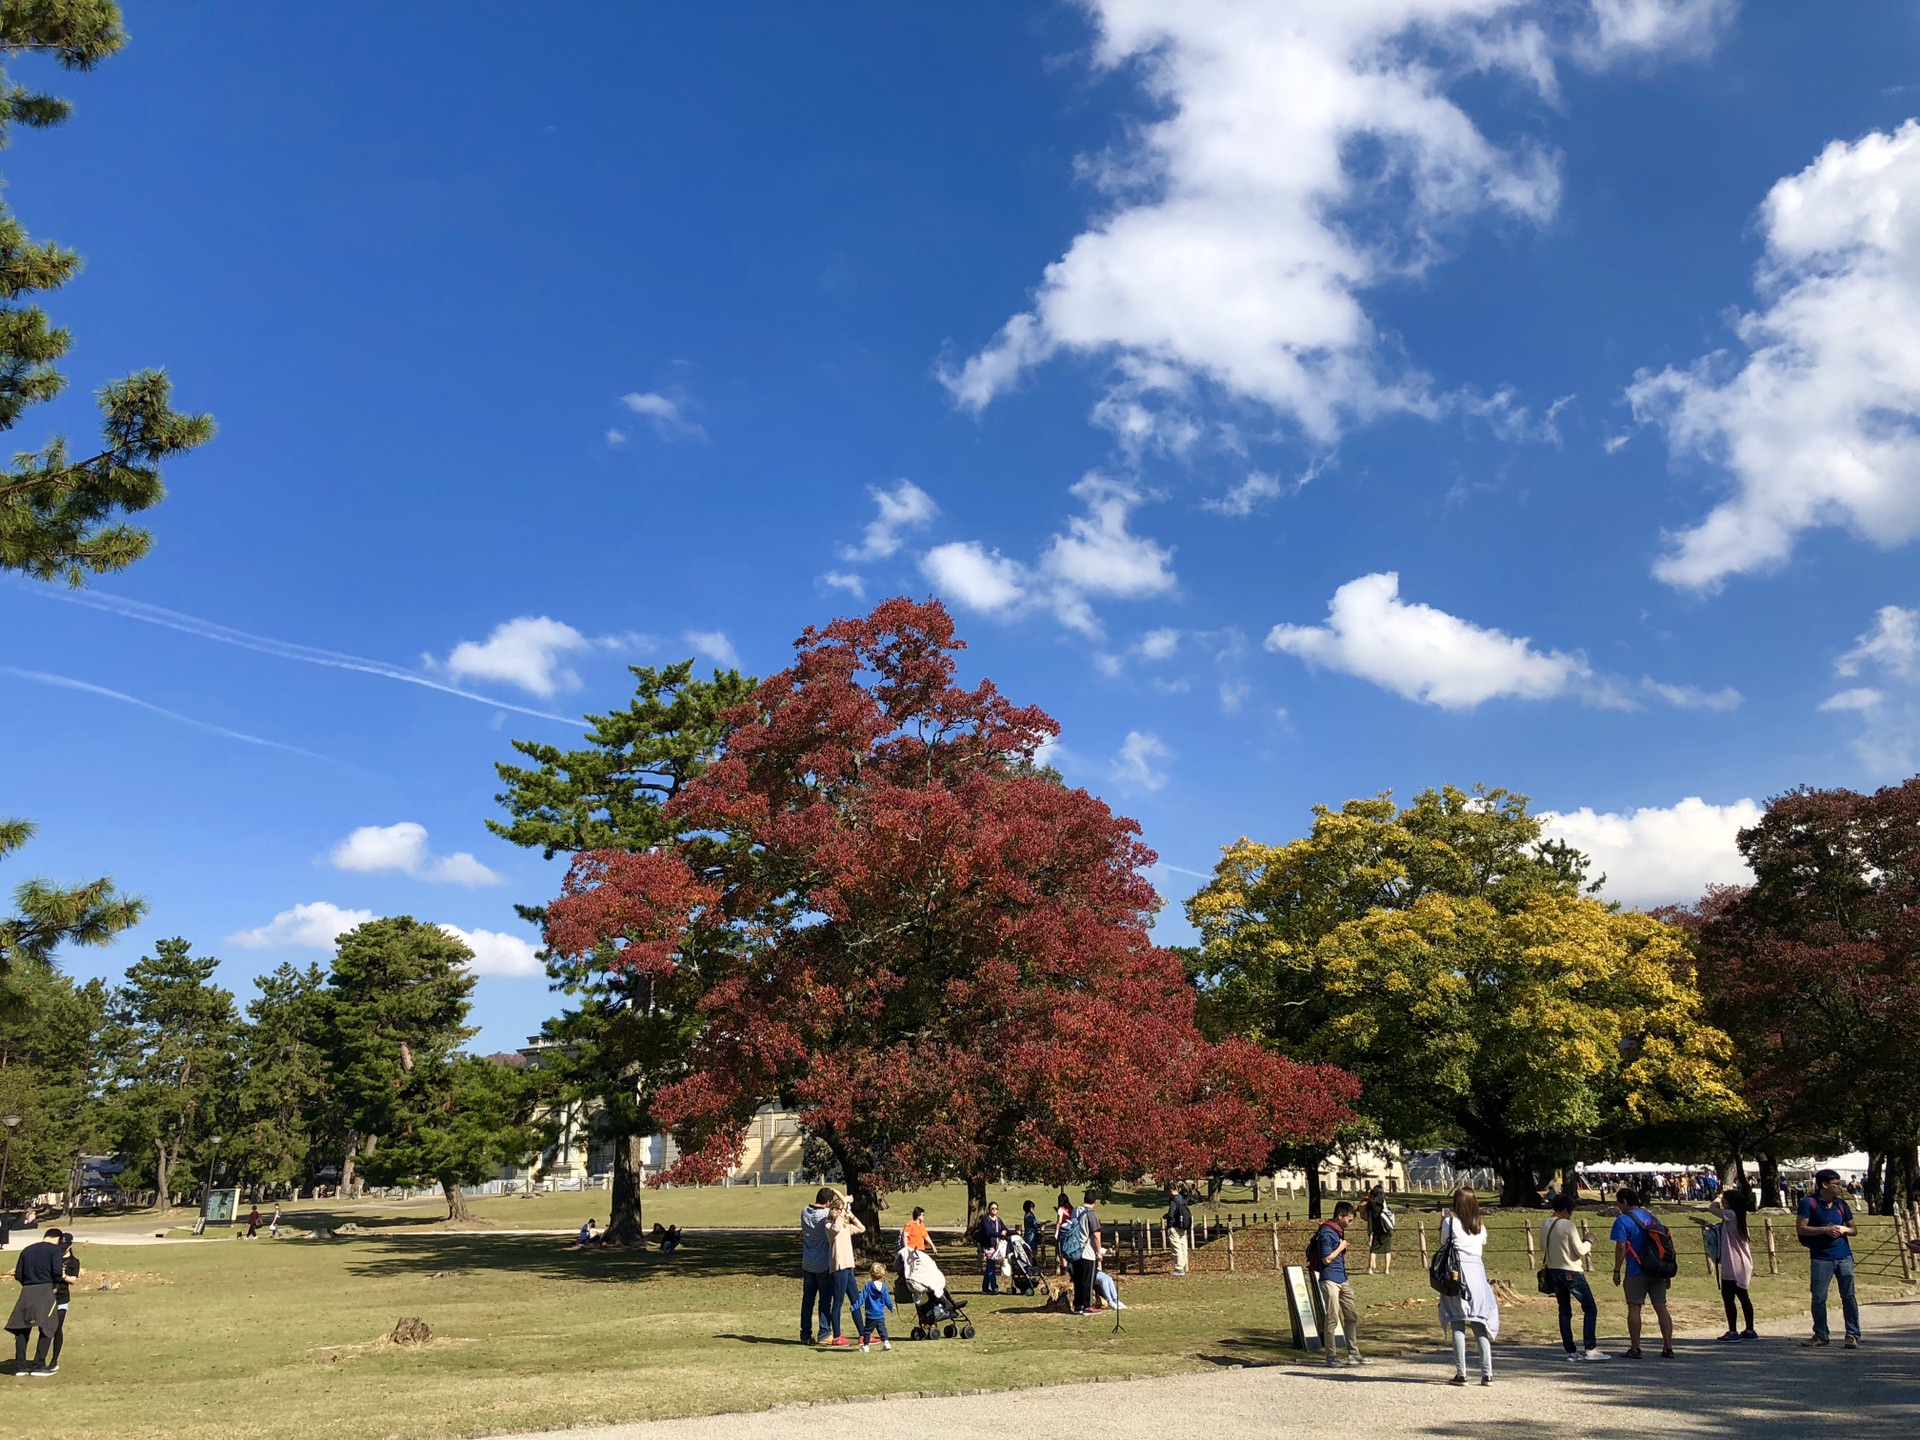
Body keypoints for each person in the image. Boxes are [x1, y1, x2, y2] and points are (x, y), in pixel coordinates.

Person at [1437, 1190, 1499, 1386]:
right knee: (1479, 1324)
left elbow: (1444, 1243)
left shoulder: (1451, 1223)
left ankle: (1461, 1373)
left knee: (1457, 1322)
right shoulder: (1481, 1227)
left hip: (1458, 1274)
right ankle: (1487, 1373)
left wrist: (1443, 1221)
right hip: (1478, 1275)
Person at [1797, 1168, 1860, 1349]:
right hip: (1821, 1257)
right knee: (1818, 1297)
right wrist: (1824, 1229)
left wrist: (1843, 1229)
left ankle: (1852, 1333)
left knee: (1849, 1296)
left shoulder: (1841, 1205)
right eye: (1836, 1184)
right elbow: (1801, 1228)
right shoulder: (1808, 1203)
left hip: (1844, 1256)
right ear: (1824, 1185)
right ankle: (1821, 1334)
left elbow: (1853, 1229)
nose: (1840, 1187)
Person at [1541, 1188, 1607, 1362]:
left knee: (1564, 1311)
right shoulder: (1568, 1225)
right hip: (1571, 1270)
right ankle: (1590, 1347)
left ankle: (1570, 1350)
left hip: (1553, 1270)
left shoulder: (1546, 1223)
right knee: (1590, 1307)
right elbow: (1580, 1250)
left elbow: (1542, 1247)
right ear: (1565, 1210)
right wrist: (1588, 1241)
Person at [1610, 1187, 1674, 1360]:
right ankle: (1668, 1347)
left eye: (1619, 1203)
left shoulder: (1623, 1220)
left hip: (1636, 1269)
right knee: (1661, 1307)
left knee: (1634, 1307)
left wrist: (1617, 1270)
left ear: (1624, 1201)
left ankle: (1636, 1348)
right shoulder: (1652, 1218)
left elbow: (1621, 1246)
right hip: (1658, 1269)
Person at [1308, 1201, 1367, 1367]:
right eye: (1349, 1220)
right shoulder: (1327, 1233)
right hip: (1330, 1280)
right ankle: (1331, 1356)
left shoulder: (1338, 1231)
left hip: (1342, 1278)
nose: (1350, 1223)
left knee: (1351, 1315)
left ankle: (1353, 1352)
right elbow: (1326, 1258)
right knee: (1332, 1318)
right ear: (1340, 1216)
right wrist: (1341, 1247)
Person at [6, 1226, 63, 1377]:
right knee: (48, 1326)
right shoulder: (55, 1250)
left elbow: (18, 1274)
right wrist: (55, 1285)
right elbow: (57, 1272)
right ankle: (39, 1365)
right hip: (45, 1290)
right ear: (58, 1239)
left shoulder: (27, 1250)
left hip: (27, 1290)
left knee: (22, 1328)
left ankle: (20, 1366)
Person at [1707, 1185, 1757, 1341]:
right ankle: (1749, 1329)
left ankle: (1733, 1331)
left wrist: (1720, 1195)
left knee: (1728, 1298)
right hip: (1743, 1262)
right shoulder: (1740, 1215)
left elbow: (1712, 1208)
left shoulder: (1730, 1214)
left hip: (1733, 1264)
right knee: (1743, 1296)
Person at [825, 1192, 866, 1348]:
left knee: (856, 1301)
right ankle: (836, 1336)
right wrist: (844, 1205)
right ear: (833, 1210)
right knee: (838, 1302)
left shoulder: (845, 1226)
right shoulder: (829, 1226)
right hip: (839, 1267)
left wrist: (850, 1213)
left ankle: (863, 1334)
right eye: (838, 1209)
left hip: (849, 1267)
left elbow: (861, 1228)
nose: (840, 1212)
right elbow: (835, 1229)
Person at [799, 1187, 836, 1345]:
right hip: (822, 1262)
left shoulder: (805, 1212)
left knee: (808, 1300)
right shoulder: (824, 1215)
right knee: (825, 1300)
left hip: (808, 1261)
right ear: (828, 1202)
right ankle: (824, 1332)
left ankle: (805, 1334)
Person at [43, 1234, 79, 1376]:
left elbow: (73, 1280)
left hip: (62, 1298)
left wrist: (63, 1275)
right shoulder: (53, 1258)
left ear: (71, 1245)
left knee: (57, 1328)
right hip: (47, 1297)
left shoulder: (73, 1262)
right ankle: (41, 1360)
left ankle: (54, 1360)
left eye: (64, 1247)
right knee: (45, 1329)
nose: (62, 1250)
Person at [1063, 1190, 1102, 1315]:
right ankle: (1087, 1306)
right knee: (1088, 1280)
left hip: (1075, 1251)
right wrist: (1099, 1251)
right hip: (1087, 1252)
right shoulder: (1091, 1214)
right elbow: (1096, 1234)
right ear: (1095, 1202)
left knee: (1078, 1279)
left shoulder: (1076, 1211)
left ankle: (1078, 1306)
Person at [854, 1262, 894, 1352]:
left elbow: (862, 1298)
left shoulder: (868, 1286)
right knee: (882, 1329)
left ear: (871, 1273)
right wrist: (890, 1307)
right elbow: (887, 1299)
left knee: (867, 1331)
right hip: (880, 1314)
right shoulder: (883, 1287)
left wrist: (855, 1307)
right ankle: (886, 1342)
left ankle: (866, 1346)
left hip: (871, 1314)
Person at [976, 1201, 1011, 1293]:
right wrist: (1000, 1234)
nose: (994, 1210)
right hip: (988, 1246)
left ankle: (985, 1288)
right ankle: (994, 1287)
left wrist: (1016, 1233)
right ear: (989, 1209)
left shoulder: (998, 1220)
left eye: (996, 1208)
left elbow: (1005, 1230)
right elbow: (989, 1232)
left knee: (989, 1267)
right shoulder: (985, 1220)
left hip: (996, 1246)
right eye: (992, 1208)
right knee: (991, 1266)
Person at [1361, 1183, 1394, 1276]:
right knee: (1387, 1250)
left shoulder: (1370, 1204)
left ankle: (1370, 1269)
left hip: (1375, 1230)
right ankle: (1387, 1269)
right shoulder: (1384, 1202)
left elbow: (1365, 1215)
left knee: (1373, 1250)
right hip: (1386, 1228)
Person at [1165, 1186, 1193, 1277]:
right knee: (1183, 1247)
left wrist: (1166, 1216)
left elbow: (1171, 1214)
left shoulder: (1174, 1201)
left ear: (1170, 1191)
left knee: (1176, 1247)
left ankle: (1179, 1268)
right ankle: (1183, 1266)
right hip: (1183, 1226)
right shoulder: (1182, 1199)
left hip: (1174, 1226)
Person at [1054, 1190, 1073, 1277]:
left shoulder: (1060, 1209)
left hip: (1063, 1231)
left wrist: (1057, 1232)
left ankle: (1065, 1270)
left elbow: (1059, 1221)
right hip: (1072, 1230)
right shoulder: (1071, 1209)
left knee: (1063, 1250)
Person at [1021, 1199, 1041, 1267]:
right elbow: (1035, 1224)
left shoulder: (1028, 1215)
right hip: (1031, 1236)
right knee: (1032, 1252)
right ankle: (1032, 1267)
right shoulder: (1029, 1215)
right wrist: (1042, 1223)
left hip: (1030, 1235)